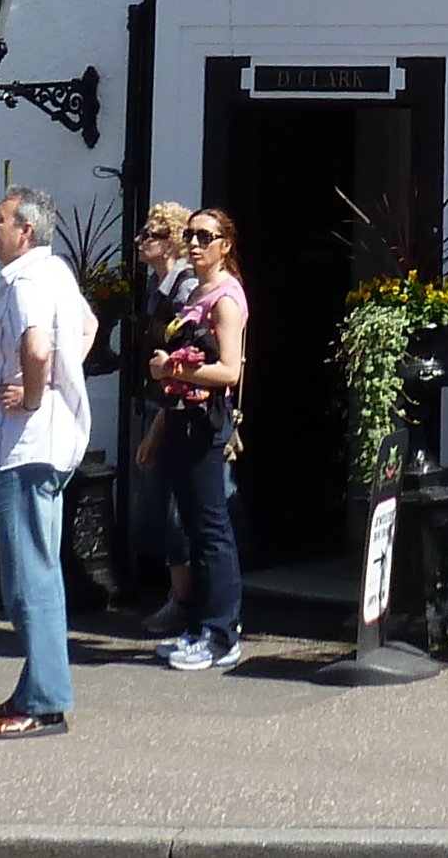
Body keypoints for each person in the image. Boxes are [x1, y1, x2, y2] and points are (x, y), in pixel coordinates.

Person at [0, 185, 98, 741]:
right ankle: (34, 689)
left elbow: (40, 347)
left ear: (24, 231)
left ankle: (45, 703)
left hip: (22, 449)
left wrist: (29, 394)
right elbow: (87, 331)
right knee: (35, 574)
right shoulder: (59, 275)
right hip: (48, 446)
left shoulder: (26, 280)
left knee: (29, 581)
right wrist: (54, 382)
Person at [148, 206, 251, 672]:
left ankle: (223, 633)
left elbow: (229, 369)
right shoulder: (197, 293)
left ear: (224, 245)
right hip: (180, 418)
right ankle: (203, 627)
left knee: (212, 529)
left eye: (205, 236)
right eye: (190, 234)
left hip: (206, 420)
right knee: (192, 525)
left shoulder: (226, 299)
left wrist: (175, 367)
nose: (194, 243)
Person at [126, 202, 201, 637]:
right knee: (165, 506)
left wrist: (154, 429)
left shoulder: (184, 291)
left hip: (176, 409)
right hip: (159, 404)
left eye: (150, 235)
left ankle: (186, 602)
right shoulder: (158, 289)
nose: (140, 242)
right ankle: (182, 598)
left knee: (180, 510)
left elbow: (181, 362)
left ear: (171, 241)